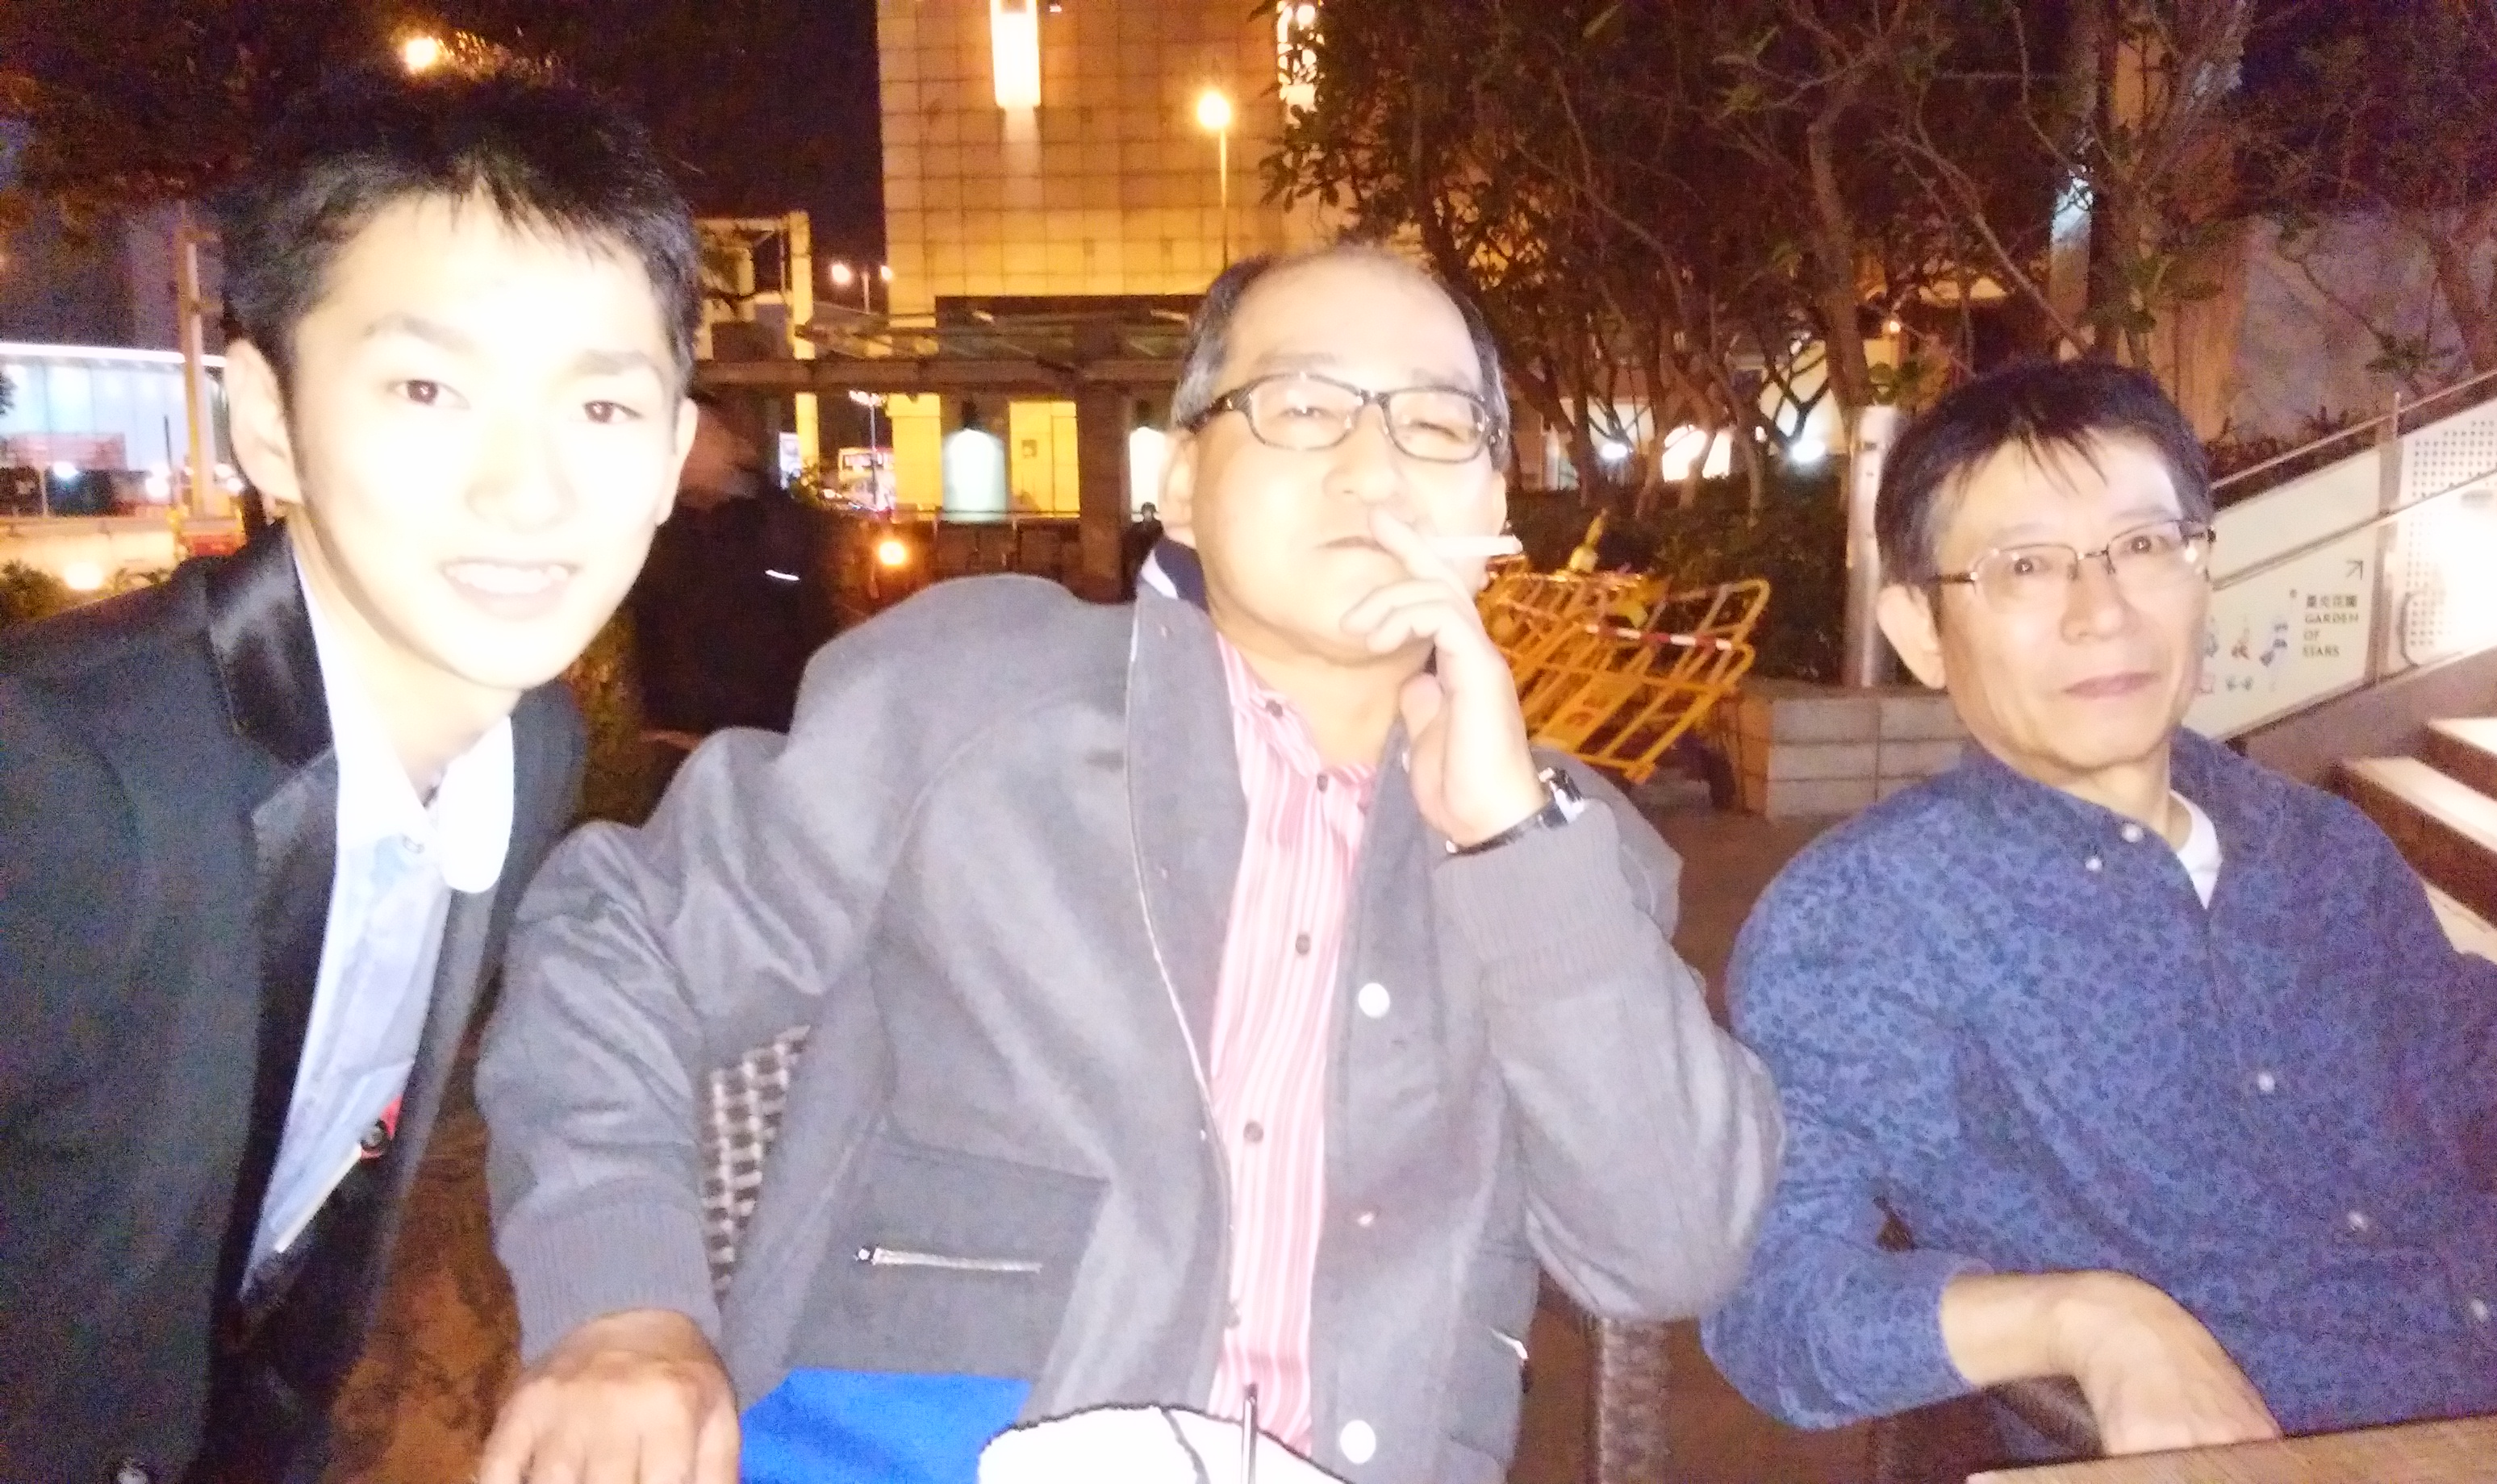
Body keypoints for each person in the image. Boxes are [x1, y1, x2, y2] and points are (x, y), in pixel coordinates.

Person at [474, 243, 1783, 1484]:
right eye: (1304, 407)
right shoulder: (976, 700)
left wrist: (1507, 843)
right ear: (1185, 483)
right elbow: (619, 939)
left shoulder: (1558, 850)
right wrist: (618, 1302)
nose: (1374, 464)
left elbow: (1670, 1246)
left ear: (1492, 507)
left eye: (1436, 424)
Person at [1699, 361, 2497, 1464]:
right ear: (1919, 627)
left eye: (2144, 546)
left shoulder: (2324, 852)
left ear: (2203, 570)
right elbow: (1776, 1308)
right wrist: (2087, 1321)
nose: (2104, 613)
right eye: (2027, 566)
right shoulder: (1869, 924)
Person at [0, 63, 699, 1483]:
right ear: (268, 422)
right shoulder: (63, 787)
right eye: (428, 388)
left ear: (677, 451)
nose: (527, 491)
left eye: (603, 409)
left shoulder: (525, 748)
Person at [625, 394, 822, 738]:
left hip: (768, 733)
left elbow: (808, 619)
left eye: (702, 434)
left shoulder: (777, 524)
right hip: (673, 735)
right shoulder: (651, 529)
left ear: (735, 445)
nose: (687, 450)